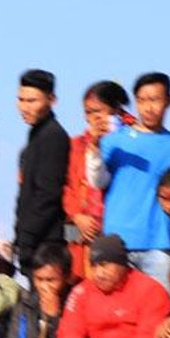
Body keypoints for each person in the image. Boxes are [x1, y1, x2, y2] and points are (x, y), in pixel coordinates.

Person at [87, 72, 170, 287]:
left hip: (159, 244)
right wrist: (94, 148)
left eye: (155, 100)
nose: (148, 107)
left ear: (169, 101)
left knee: (161, 303)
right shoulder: (114, 141)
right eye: (142, 100)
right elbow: (97, 181)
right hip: (117, 244)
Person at [63, 82, 130, 277]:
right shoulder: (76, 145)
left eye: (98, 111)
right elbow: (66, 187)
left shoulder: (131, 141)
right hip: (82, 235)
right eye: (88, 112)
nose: (93, 118)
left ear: (115, 110)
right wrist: (77, 216)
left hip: (121, 231)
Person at [12, 69, 70, 274]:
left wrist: (27, 238)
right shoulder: (37, 135)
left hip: (46, 245)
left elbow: (48, 194)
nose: (24, 107)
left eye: (32, 101)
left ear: (51, 100)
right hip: (33, 241)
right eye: (21, 100)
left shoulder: (53, 136)